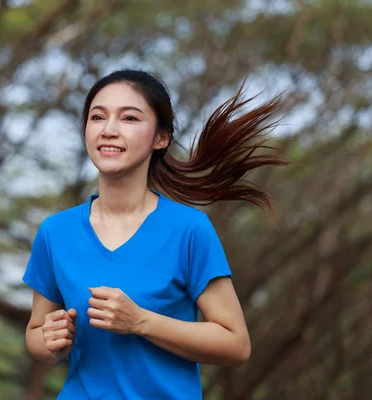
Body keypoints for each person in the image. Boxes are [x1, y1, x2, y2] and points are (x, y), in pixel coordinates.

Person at [22, 69, 288, 399]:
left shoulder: (189, 230)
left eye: (129, 118)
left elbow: (236, 345)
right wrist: (51, 343)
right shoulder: (55, 232)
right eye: (97, 117)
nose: (109, 130)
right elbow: (36, 333)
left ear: (160, 138)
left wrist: (141, 322)